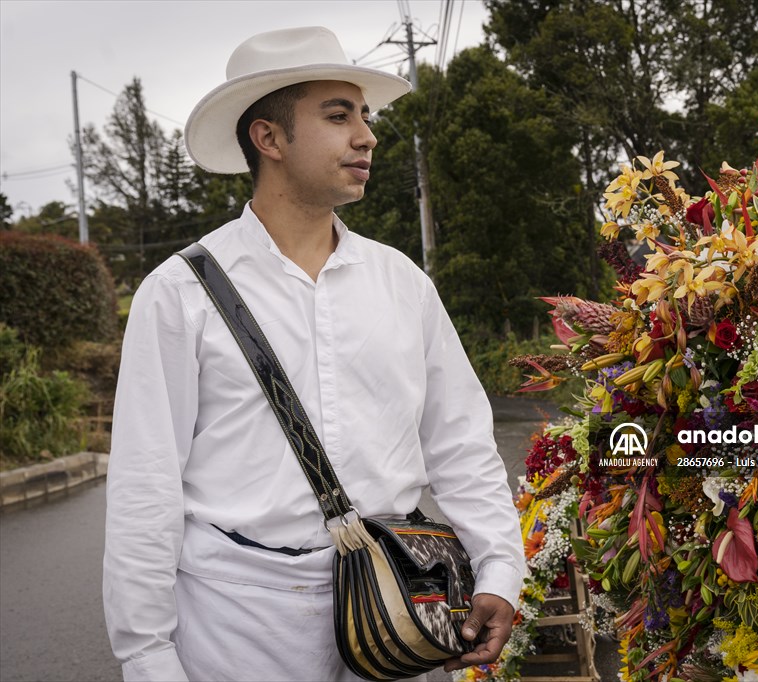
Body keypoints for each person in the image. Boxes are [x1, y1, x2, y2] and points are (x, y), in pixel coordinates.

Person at [103, 26, 525, 682]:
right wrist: (146, 653)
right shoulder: (179, 293)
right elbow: (145, 486)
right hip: (236, 623)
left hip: (400, 614)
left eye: (364, 115)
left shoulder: (403, 285)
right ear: (268, 138)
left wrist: (499, 570)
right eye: (337, 115)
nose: (367, 136)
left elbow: (461, 444)